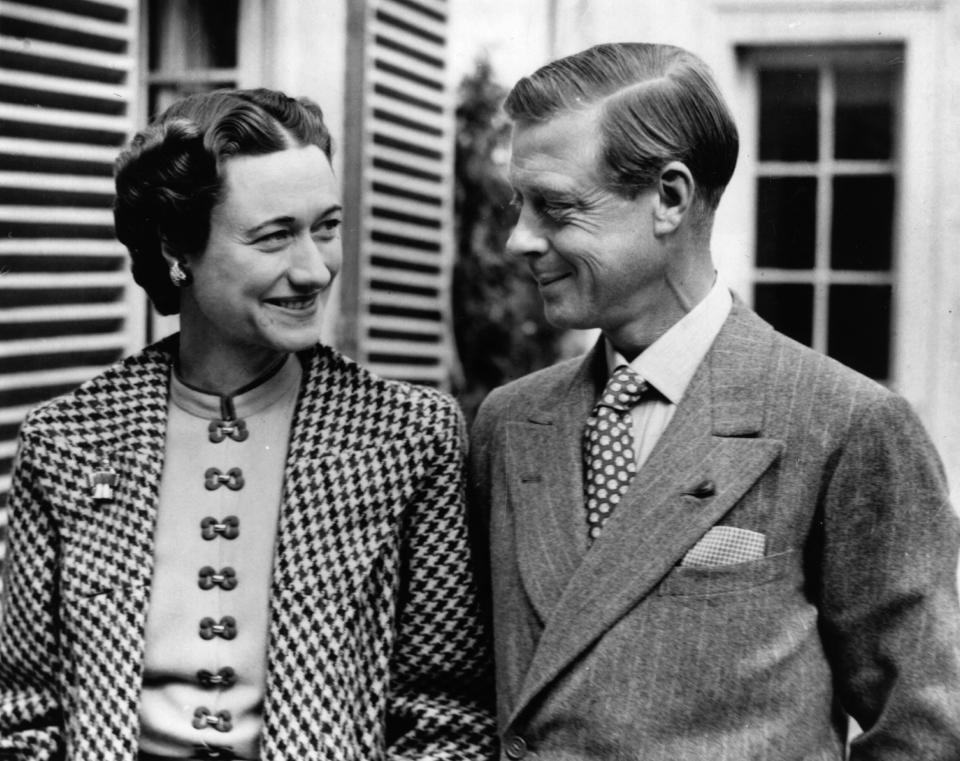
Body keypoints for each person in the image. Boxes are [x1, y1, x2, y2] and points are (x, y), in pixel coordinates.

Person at [469, 42, 960, 760]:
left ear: (668, 198)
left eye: (555, 207)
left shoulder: (847, 424)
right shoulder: (507, 423)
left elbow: (922, 731)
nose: (519, 239)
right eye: (520, 204)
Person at [0, 88, 495, 761]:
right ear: (178, 247)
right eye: (274, 236)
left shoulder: (410, 439)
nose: (315, 268)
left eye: (325, 226)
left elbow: (448, 718)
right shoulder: (67, 441)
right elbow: (22, 713)